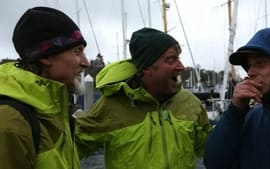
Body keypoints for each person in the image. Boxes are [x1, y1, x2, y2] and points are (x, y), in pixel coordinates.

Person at [75, 27, 211, 169]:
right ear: (146, 68)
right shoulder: (113, 105)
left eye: (179, 59)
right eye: (171, 60)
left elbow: (211, 153)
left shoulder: (191, 103)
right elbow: (70, 149)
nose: (181, 67)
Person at [0, 6, 90, 169]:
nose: (86, 62)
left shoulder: (57, 109)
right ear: (47, 57)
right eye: (77, 52)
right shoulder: (10, 122)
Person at [204, 25, 270, 169]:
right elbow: (215, 163)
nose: (250, 72)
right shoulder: (250, 118)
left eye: (260, 63)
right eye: (249, 65)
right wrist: (234, 112)